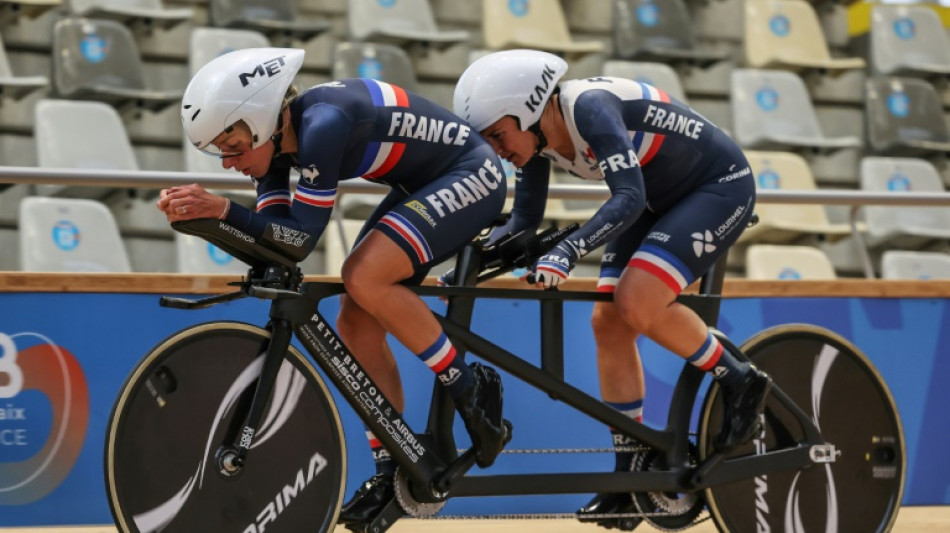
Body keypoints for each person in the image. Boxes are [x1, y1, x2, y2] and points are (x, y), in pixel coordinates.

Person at [160, 47, 510, 527]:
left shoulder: (322, 126)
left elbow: (300, 239)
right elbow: (276, 243)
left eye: (233, 145)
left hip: (474, 173)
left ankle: (471, 391)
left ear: (261, 120)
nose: (227, 163)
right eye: (221, 150)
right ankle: (394, 468)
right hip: (423, 184)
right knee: (355, 319)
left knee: (363, 276)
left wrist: (222, 211)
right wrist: (208, 219)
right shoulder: (277, 148)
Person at [453, 49, 772, 528]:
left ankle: (741, 379)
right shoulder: (537, 139)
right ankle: (628, 475)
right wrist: (469, 257)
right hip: (656, 197)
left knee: (637, 302)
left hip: (716, 187)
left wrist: (567, 252)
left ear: (532, 108)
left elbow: (629, 196)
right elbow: (524, 221)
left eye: (498, 135)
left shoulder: (590, 108)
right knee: (608, 323)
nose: (496, 149)